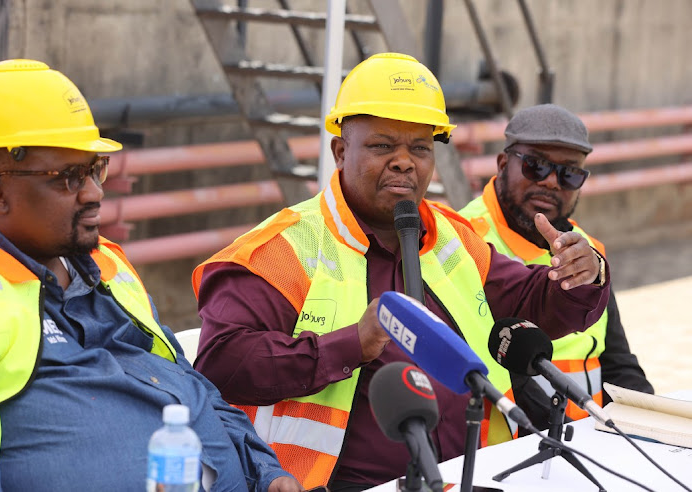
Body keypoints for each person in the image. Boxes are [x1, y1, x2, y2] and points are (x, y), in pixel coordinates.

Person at [192, 53, 610, 491]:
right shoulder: (281, 248)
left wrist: (582, 274)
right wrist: (353, 342)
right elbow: (221, 364)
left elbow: (534, 303)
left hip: (467, 476)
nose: (404, 162)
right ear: (340, 151)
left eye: (420, 148)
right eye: (382, 146)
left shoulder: (449, 235)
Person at [0, 59, 302, 492]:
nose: (95, 192)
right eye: (69, 177)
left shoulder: (108, 264)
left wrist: (266, 473)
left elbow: (191, 384)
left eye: (95, 169)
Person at [458, 103, 653, 428]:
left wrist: (649, 430)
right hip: (512, 449)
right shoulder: (462, 240)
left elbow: (618, 364)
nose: (551, 182)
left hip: (592, 438)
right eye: (535, 165)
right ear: (503, 163)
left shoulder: (587, 251)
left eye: (569, 173)